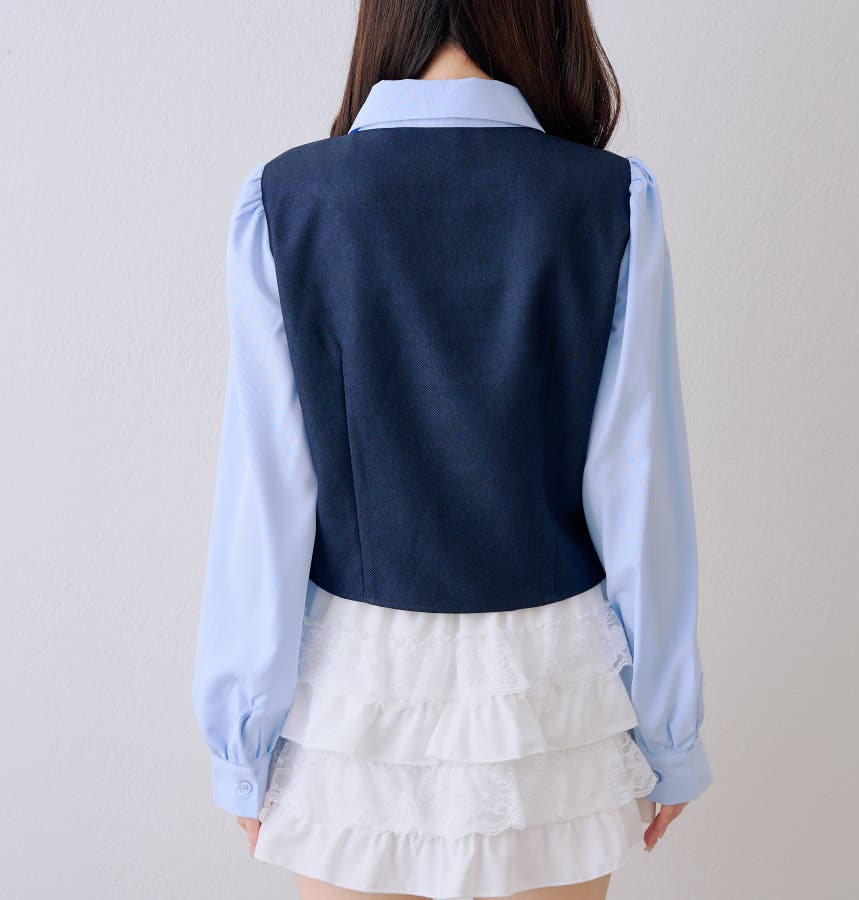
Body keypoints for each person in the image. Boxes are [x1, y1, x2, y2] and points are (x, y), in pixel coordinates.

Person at [192, 2, 713, 898]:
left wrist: (242, 744)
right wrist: (670, 736)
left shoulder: (289, 199)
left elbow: (268, 494)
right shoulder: (609, 200)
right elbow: (637, 488)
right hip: (550, 703)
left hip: (355, 705)